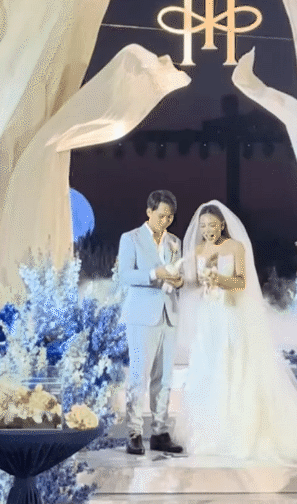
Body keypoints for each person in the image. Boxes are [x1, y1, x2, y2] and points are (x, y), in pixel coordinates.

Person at [177, 200, 297, 504]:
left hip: (230, 316)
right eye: (203, 226)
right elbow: (193, 282)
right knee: (209, 370)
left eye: (212, 225)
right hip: (209, 318)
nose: (207, 230)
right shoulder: (200, 250)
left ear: (222, 225)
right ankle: (210, 433)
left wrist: (220, 279)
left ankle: (239, 432)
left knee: (234, 368)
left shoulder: (235, 248)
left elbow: (241, 282)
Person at [118, 190, 184, 455]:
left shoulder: (174, 241)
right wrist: (154, 273)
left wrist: (179, 280)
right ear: (149, 211)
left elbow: (179, 274)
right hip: (142, 316)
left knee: (165, 377)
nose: (165, 221)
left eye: (170, 217)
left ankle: (160, 431)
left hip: (169, 313)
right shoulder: (131, 238)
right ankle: (134, 432)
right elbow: (125, 275)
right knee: (139, 375)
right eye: (161, 216)